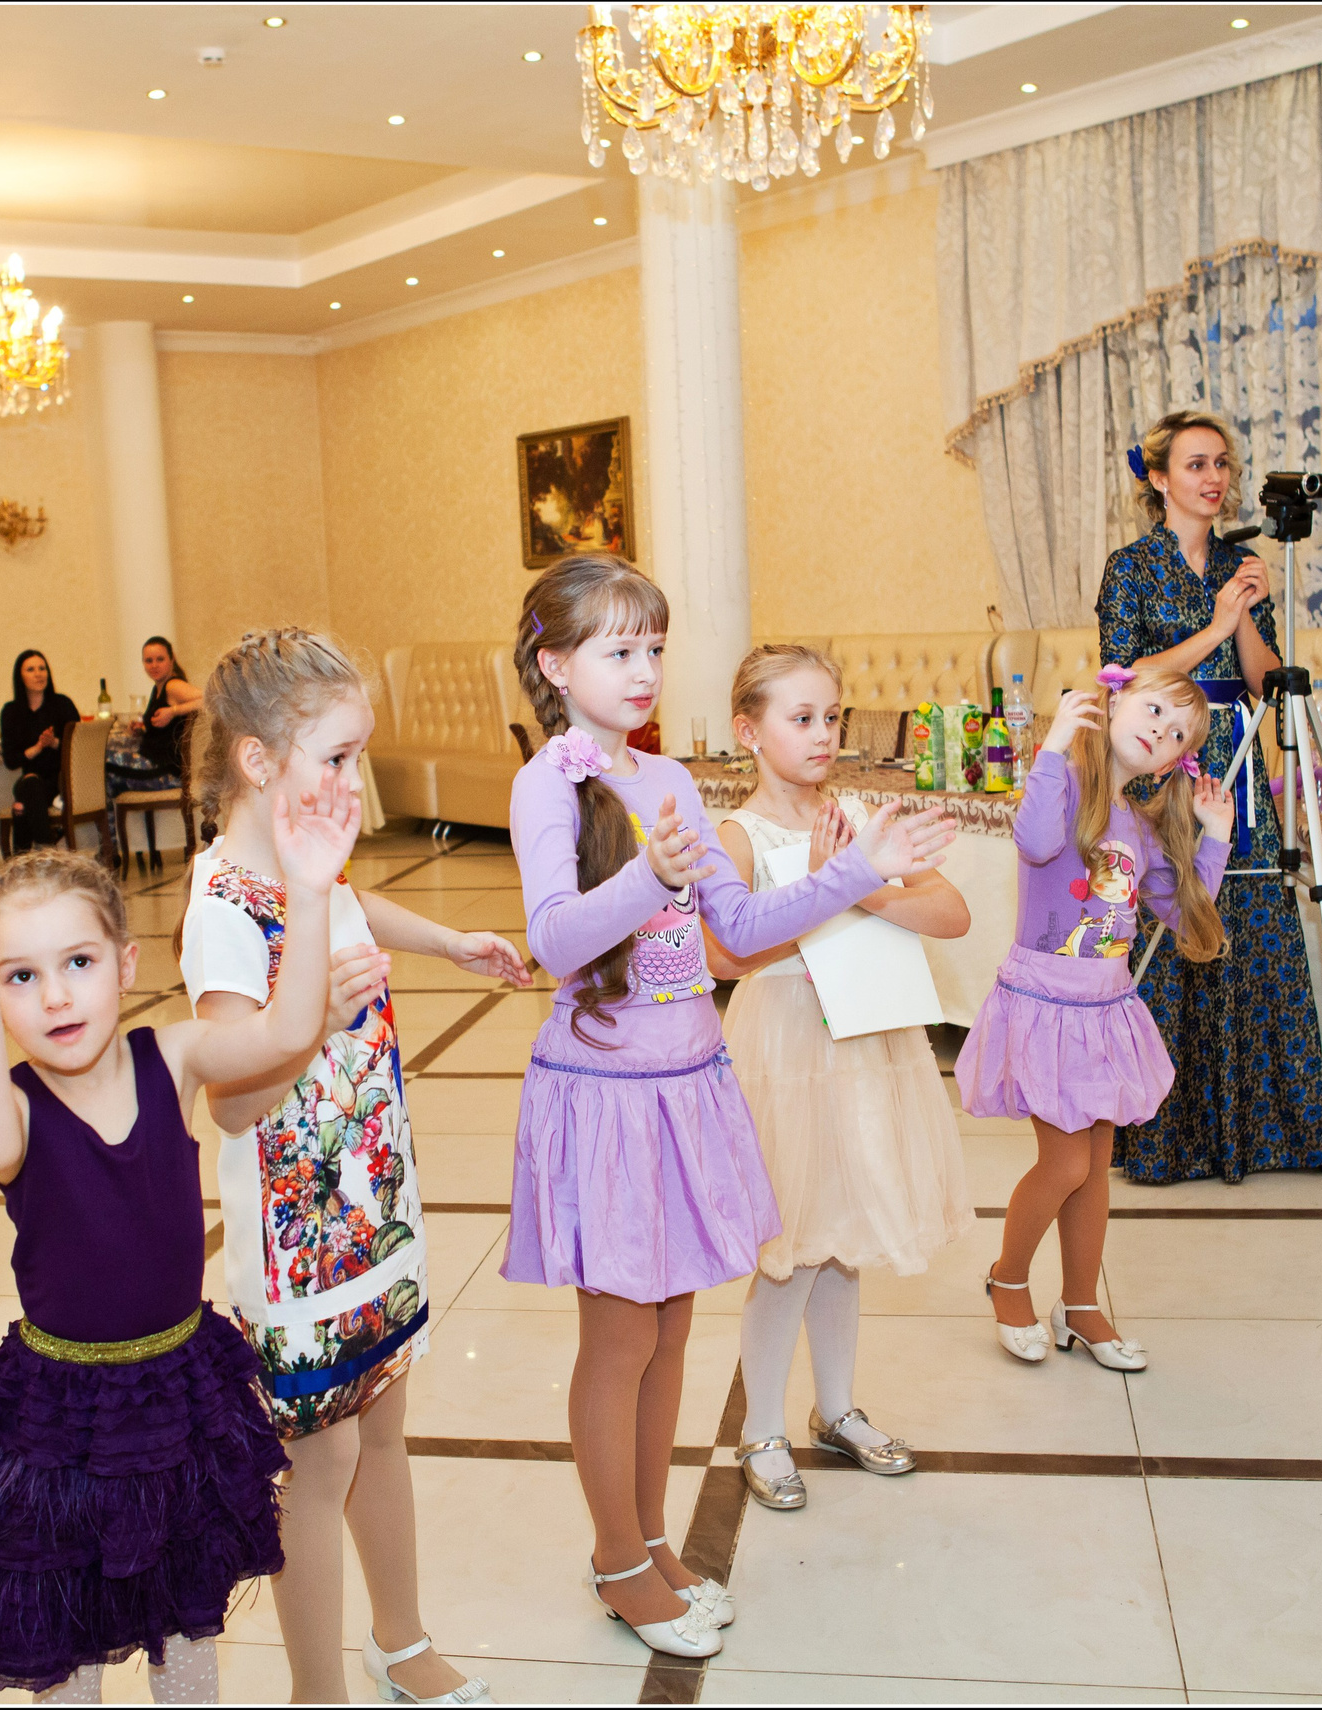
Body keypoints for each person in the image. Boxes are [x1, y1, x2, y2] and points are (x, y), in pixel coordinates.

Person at [503, 554, 956, 1660]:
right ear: (557, 666)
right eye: (618, 649)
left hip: (684, 1080)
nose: (645, 667)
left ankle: (651, 1540)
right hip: (607, 1091)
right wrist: (646, 882)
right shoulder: (545, 786)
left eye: (654, 646)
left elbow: (744, 931)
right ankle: (617, 1560)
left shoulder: (664, 784)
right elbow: (556, 941)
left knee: (667, 1335)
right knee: (617, 1343)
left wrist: (863, 872)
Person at [0, 815, 357, 1702]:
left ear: (126, 965)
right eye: (21, 977)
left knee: (186, 1614)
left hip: (178, 1389)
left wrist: (313, 894)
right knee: (69, 1628)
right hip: (62, 1410)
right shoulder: (14, 1111)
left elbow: (284, 1035)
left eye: (78, 964)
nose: (54, 997)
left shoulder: (171, 1056)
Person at [179, 627, 526, 1707]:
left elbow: (357, 905)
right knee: (317, 1469)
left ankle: (402, 1635)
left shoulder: (303, 864)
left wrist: (450, 941)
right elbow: (231, 1102)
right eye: (333, 757)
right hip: (297, 1244)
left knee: (386, 1427)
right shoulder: (225, 910)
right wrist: (310, 1015)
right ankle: (314, 1689)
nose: (352, 781)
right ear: (256, 760)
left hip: (371, 1203)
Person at [703, 645, 974, 1512]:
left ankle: (838, 1407)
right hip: (785, 1050)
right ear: (749, 731)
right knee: (790, 1252)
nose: (823, 735)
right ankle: (761, 1429)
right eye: (801, 718)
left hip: (865, 1045)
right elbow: (725, 952)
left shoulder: (859, 816)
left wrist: (860, 885)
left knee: (845, 1239)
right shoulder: (738, 835)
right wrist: (826, 887)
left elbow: (951, 912)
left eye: (832, 717)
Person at [1095, 409, 1322, 1182]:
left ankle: (1272, 1127)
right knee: (1172, 923)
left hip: (1234, 755)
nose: (1215, 479)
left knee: (1251, 918)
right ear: (1161, 478)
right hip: (1162, 756)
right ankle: (1166, 1135)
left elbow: (1262, 677)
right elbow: (1127, 675)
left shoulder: (1241, 566)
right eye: (1198, 465)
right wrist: (1216, 624)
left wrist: (1245, 617)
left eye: (1222, 466)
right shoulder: (1130, 567)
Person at [958, 667, 1235, 1371]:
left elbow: (1184, 914)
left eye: (1178, 734)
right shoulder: (1068, 793)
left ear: (1178, 758)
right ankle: (1008, 1280)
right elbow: (1035, 841)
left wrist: (1214, 837)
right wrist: (1053, 746)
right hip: (1046, 1006)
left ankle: (1080, 1304)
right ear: (1112, 703)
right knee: (1064, 1163)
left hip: (1104, 1009)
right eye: (1153, 710)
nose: (1160, 732)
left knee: (1096, 1166)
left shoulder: (1140, 827)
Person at [105, 635, 205, 863]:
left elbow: (208, 698)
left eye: (160, 659)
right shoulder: (158, 689)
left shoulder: (173, 685)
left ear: (171, 659)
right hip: (155, 766)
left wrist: (174, 711)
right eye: (148, 660)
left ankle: (109, 850)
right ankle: (111, 850)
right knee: (107, 779)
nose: (154, 665)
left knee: (104, 759)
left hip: (165, 772)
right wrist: (142, 730)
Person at [1, 649, 80, 853]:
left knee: (22, 807)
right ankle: (48, 850)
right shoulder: (11, 711)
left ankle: (21, 864)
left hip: (61, 782)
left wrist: (54, 742)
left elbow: (77, 748)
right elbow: (11, 760)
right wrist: (37, 748)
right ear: (20, 676)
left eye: (42, 668)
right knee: (31, 785)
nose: (38, 674)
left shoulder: (62, 704)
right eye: (31, 669)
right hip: (31, 781)